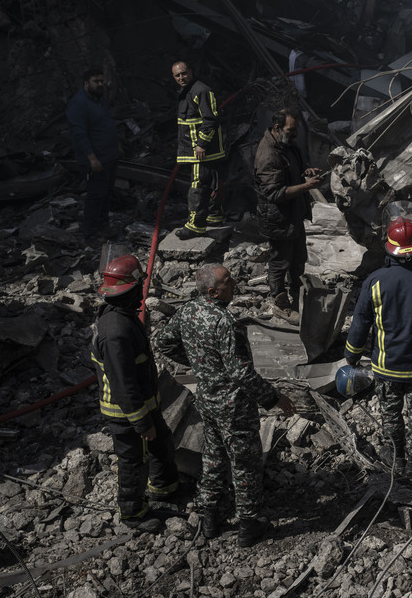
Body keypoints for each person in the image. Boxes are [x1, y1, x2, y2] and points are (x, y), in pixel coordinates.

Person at [157, 264, 296, 547]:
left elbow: (164, 342)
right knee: (244, 463)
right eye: (227, 281)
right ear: (212, 291)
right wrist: (274, 398)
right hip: (234, 407)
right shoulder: (225, 323)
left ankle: (209, 517)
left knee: (213, 456)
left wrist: (201, 365)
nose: (235, 283)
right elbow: (241, 373)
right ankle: (249, 525)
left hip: (207, 400)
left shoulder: (188, 311)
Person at [344, 218, 412, 477]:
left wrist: (352, 354)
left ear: (389, 246)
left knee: (390, 413)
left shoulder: (375, 281)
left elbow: (361, 322)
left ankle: (395, 458)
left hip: (386, 366)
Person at [90, 254, 181, 533]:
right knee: (133, 461)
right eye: (140, 284)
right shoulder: (116, 332)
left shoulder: (121, 316)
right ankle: (134, 513)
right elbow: (123, 383)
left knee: (161, 443)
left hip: (144, 404)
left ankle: (164, 489)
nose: (144, 289)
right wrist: (142, 422)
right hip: (127, 412)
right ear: (131, 287)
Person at [253, 108, 323, 322]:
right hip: (278, 218)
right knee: (280, 262)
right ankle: (280, 303)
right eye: (290, 130)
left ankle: (297, 295)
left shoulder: (287, 145)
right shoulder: (268, 154)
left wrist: (306, 172)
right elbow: (274, 193)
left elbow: (293, 171)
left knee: (298, 259)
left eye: (295, 131)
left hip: (293, 215)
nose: (294, 135)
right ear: (277, 128)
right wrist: (306, 186)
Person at [172, 60, 227, 239]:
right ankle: (213, 216)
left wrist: (202, 143)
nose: (181, 77)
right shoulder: (187, 91)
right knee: (211, 182)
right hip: (198, 149)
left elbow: (211, 119)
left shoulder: (201, 90)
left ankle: (195, 225)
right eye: (177, 75)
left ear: (191, 71)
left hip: (202, 150)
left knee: (198, 185)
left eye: (184, 73)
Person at [66, 67, 121, 244]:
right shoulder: (79, 104)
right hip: (95, 160)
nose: (100, 84)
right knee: (95, 196)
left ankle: (103, 225)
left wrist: (117, 145)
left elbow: (107, 124)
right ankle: (89, 234)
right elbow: (79, 134)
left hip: (109, 157)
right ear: (86, 83)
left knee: (106, 193)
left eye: (101, 81)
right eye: (96, 81)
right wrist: (92, 158)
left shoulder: (100, 101)